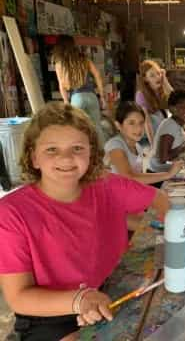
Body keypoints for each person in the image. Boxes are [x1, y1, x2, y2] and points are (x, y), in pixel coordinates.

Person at [0, 102, 170, 340]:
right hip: (50, 312)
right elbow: (19, 297)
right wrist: (79, 300)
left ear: (91, 154)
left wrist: (178, 240)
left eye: (77, 148)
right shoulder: (11, 213)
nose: (66, 158)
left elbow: (160, 199)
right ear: (33, 157)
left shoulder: (106, 185)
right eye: (52, 150)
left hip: (109, 291)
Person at [104, 101, 183, 184]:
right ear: (118, 125)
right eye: (131, 123)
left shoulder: (137, 146)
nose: (138, 128)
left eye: (141, 123)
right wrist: (167, 174)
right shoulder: (115, 145)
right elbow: (128, 177)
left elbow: (139, 177)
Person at [52, 35, 106, 145]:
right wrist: (102, 96)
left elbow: (61, 85)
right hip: (91, 96)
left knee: (77, 130)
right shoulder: (84, 59)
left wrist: (66, 102)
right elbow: (98, 75)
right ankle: (103, 156)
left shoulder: (60, 63)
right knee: (97, 129)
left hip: (76, 97)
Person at [149, 90, 185, 172]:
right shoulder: (169, 126)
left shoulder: (176, 123)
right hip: (160, 173)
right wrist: (184, 146)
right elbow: (163, 158)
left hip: (169, 167)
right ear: (172, 109)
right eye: (182, 108)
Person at [136, 60, 174, 145]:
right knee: (157, 116)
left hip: (158, 130)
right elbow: (147, 122)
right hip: (145, 134)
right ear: (145, 79)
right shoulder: (140, 95)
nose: (157, 77)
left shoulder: (159, 89)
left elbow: (175, 98)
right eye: (152, 75)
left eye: (158, 73)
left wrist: (164, 78)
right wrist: (153, 145)